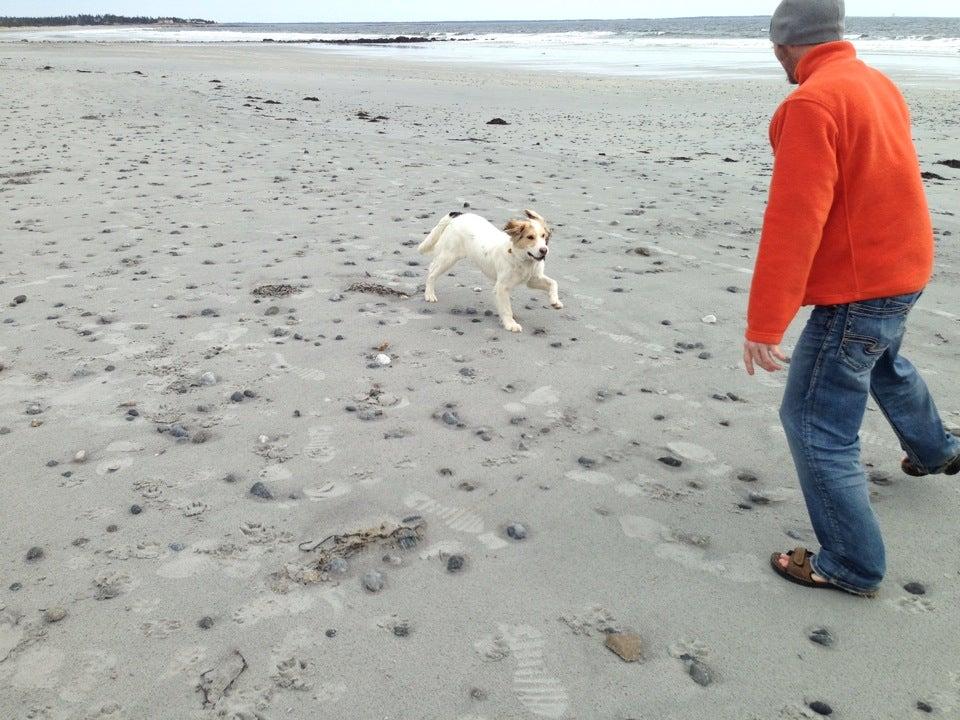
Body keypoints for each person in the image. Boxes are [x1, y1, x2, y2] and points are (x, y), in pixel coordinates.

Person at [743, 0, 960, 597]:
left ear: (785, 45)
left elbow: (794, 221)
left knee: (814, 421)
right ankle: (938, 450)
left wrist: (766, 321)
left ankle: (851, 563)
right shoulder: (874, 81)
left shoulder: (811, 102)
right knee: (883, 362)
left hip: (862, 289)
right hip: (904, 268)